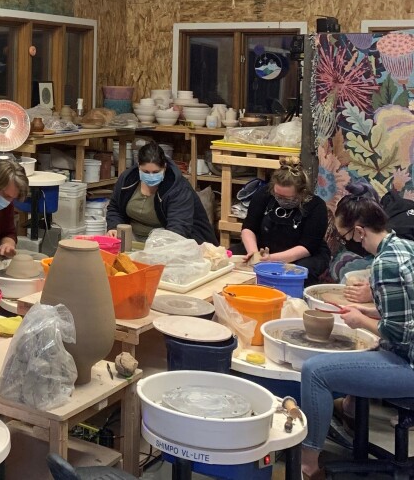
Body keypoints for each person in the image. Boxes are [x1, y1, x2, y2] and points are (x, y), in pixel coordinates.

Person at [299, 184, 414, 479]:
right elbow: (404, 311)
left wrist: (359, 320)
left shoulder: (385, 265)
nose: (347, 241)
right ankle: (349, 409)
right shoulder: (404, 246)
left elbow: (396, 333)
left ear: (360, 231)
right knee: (355, 348)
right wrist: (365, 310)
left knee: (315, 371)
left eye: (346, 235)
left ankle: (308, 464)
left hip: (409, 363)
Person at [232, 156, 330, 285]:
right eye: (278, 196)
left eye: (287, 198)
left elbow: (307, 247)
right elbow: (249, 227)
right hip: (265, 250)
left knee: (302, 271)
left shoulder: (316, 206)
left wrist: (272, 259)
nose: (282, 200)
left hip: (303, 255)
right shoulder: (264, 194)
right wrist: (254, 253)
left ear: (302, 193)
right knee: (231, 258)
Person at [106, 141, 217, 244]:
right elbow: (115, 208)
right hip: (134, 239)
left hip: (173, 242)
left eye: (155, 172)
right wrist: (114, 227)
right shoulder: (128, 179)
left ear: (164, 167)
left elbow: (178, 228)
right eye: (145, 172)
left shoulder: (177, 188)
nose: (150, 176)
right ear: (138, 166)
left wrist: (157, 248)